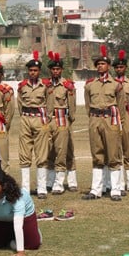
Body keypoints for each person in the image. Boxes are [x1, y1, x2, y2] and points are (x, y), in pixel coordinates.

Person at [82, 46, 124, 201]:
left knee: (113, 154)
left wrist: (119, 123)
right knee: (97, 155)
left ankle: (115, 190)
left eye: (103, 64)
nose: (100, 66)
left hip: (110, 120)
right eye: (98, 64)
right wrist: (93, 118)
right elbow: (87, 104)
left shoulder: (116, 85)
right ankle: (96, 190)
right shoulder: (90, 84)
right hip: (95, 119)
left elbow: (121, 105)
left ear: (108, 66)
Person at [16, 51, 50, 198]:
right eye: (30, 70)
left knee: (41, 154)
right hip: (25, 118)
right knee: (24, 153)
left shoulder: (45, 86)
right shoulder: (22, 86)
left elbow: (49, 104)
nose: (33, 73)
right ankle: (25, 188)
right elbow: (19, 104)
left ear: (39, 71)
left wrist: (46, 120)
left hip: (40, 118)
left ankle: (42, 188)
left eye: (35, 70)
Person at [44, 51, 78, 194]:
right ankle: (50, 181)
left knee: (64, 151)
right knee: (49, 151)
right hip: (49, 120)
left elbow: (72, 105)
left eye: (58, 69)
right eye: (53, 69)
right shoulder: (45, 85)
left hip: (62, 119)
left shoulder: (67, 85)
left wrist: (70, 121)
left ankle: (63, 182)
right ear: (50, 70)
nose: (55, 71)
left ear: (61, 70)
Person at [112, 49, 129, 194]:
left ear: (125, 68)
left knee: (128, 149)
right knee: (116, 150)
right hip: (114, 116)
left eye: (121, 67)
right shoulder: (111, 83)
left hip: (128, 117)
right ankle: (119, 183)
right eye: (116, 67)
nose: (119, 69)